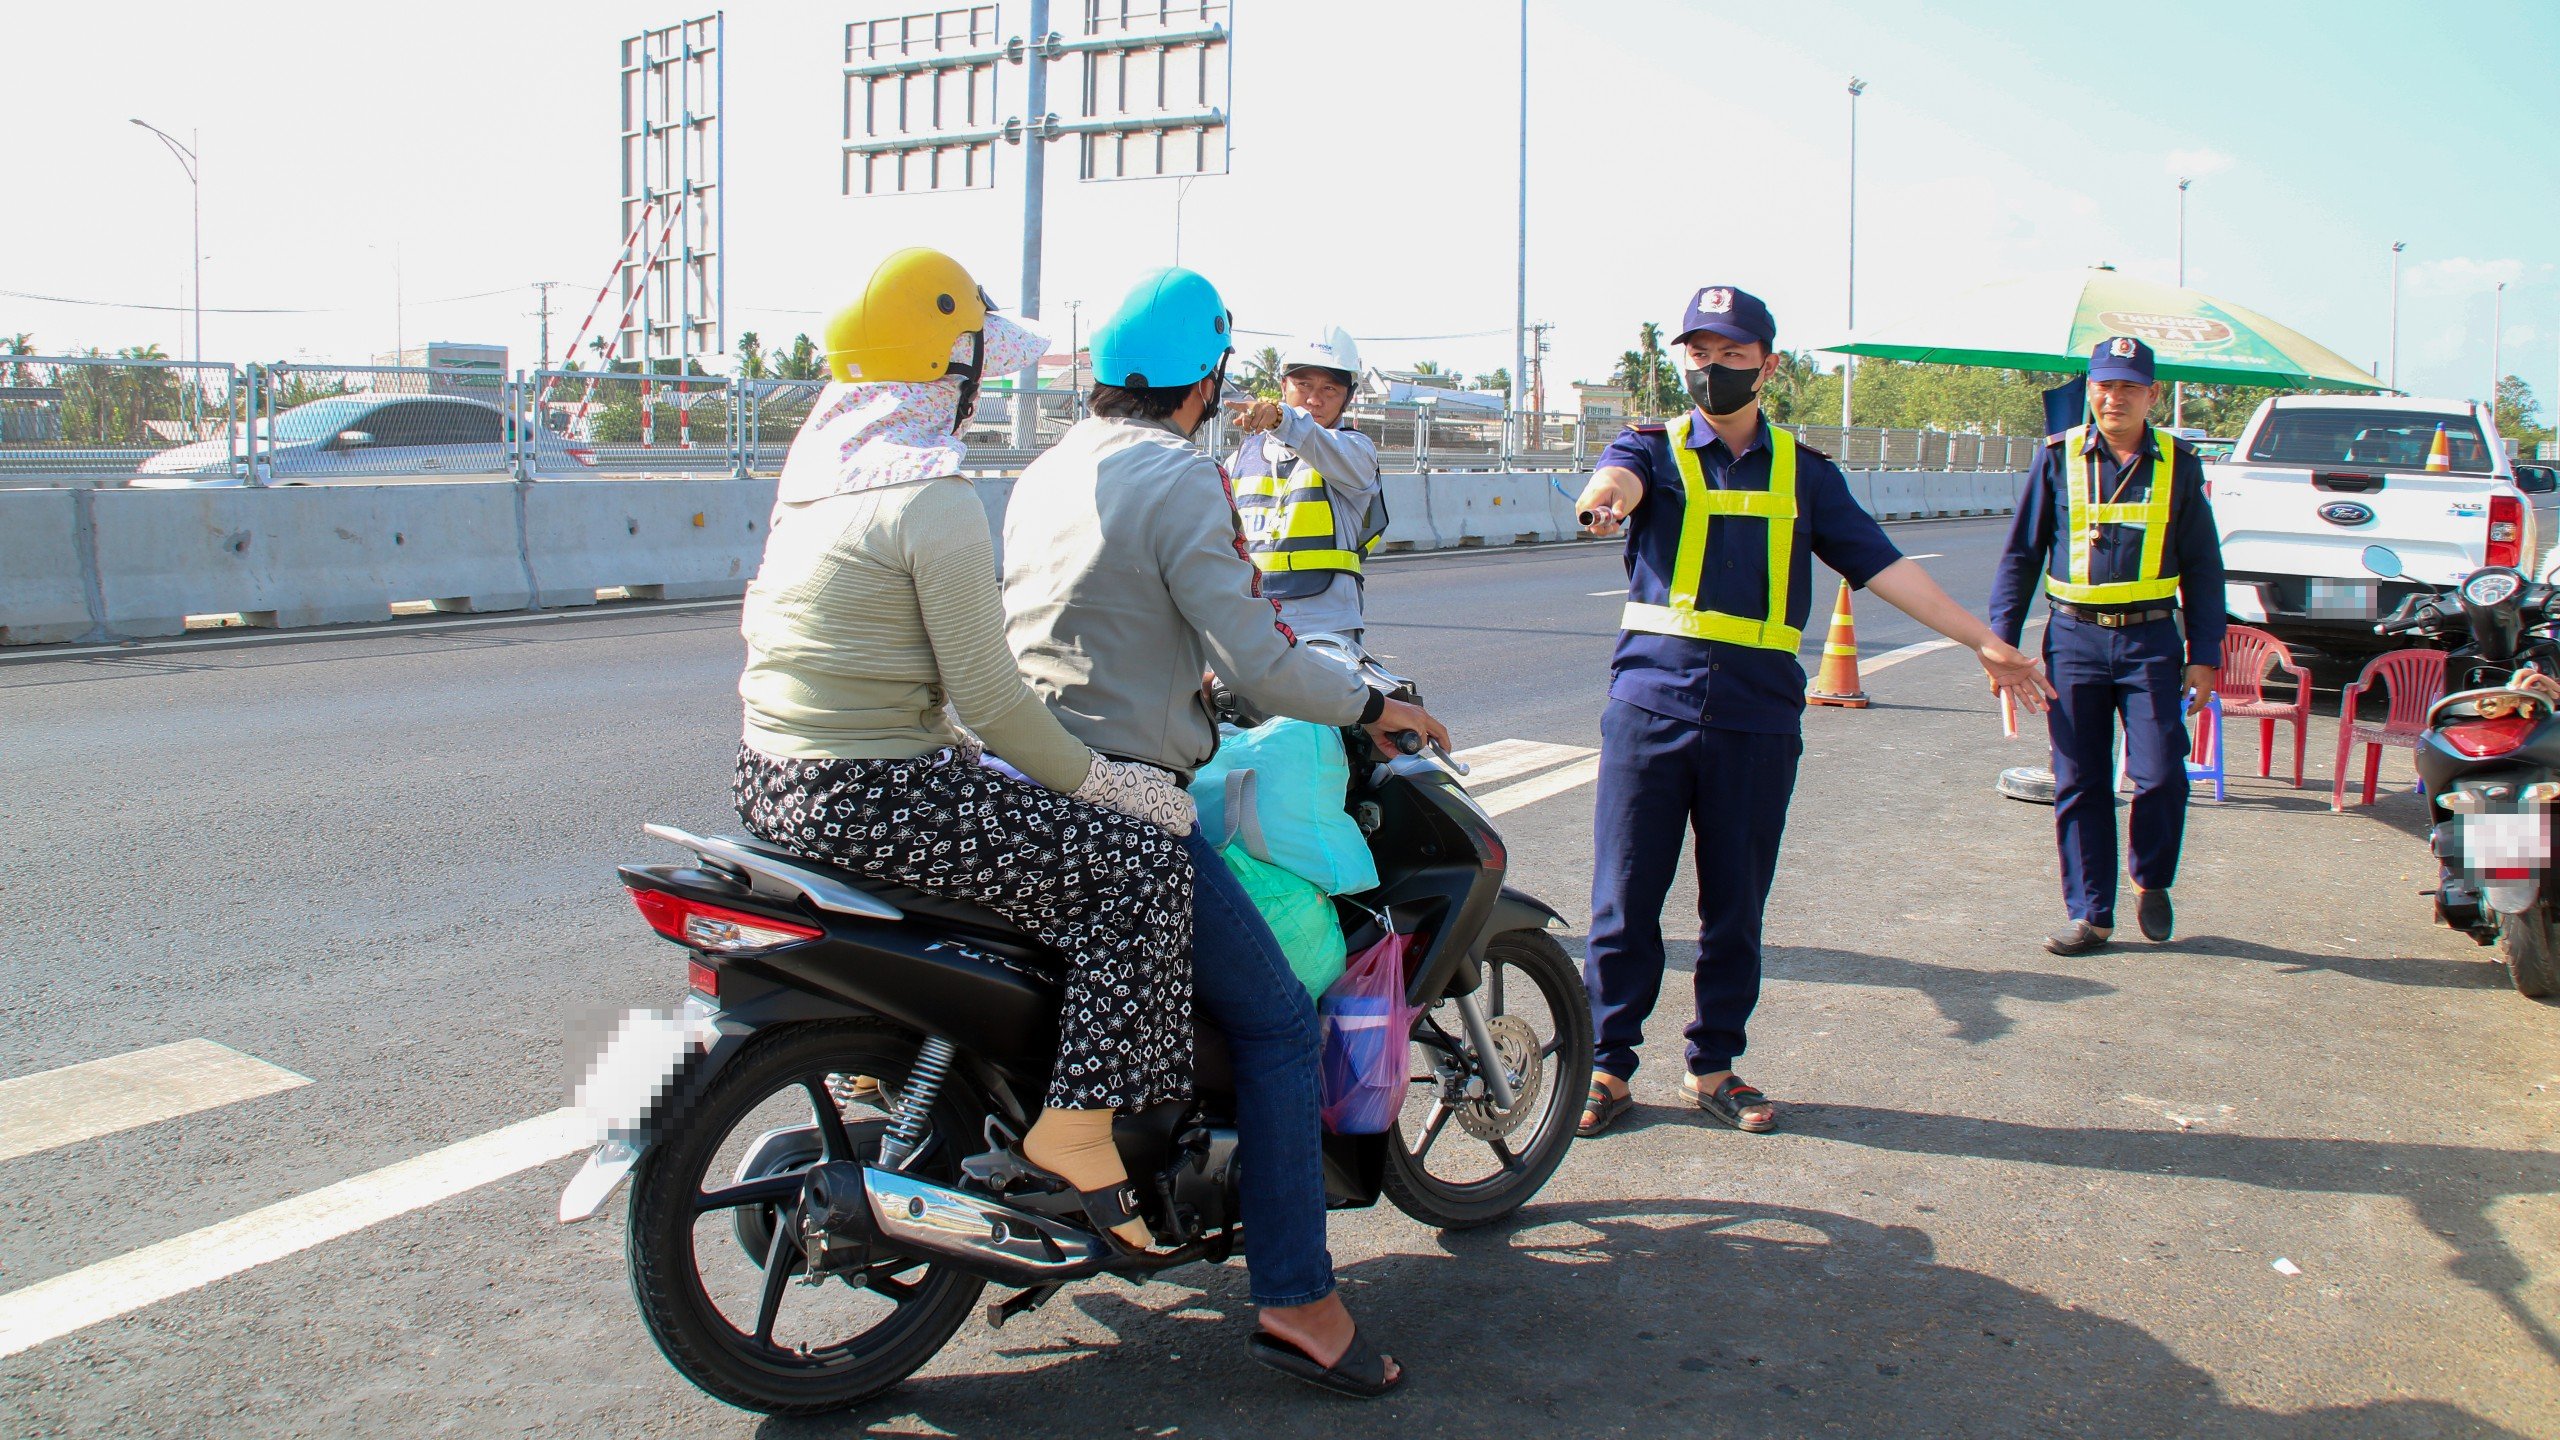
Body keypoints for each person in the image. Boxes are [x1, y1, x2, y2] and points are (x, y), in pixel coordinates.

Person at [1003, 268, 1447, 1398]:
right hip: (1126, 795)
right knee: (1278, 1024)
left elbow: (1101, 618)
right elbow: (1259, 660)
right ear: (1206, 380)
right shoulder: (1185, 474)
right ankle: (1299, 1297)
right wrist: (1371, 708)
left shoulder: (1046, 469)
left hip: (1016, 778)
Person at [727, 248, 1200, 1253]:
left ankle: (907, 1067)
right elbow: (989, 701)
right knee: (1145, 868)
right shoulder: (930, 500)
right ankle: (1078, 1128)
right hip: (882, 795)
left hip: (773, 784)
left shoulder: (816, 483)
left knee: (1046, 848)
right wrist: (1119, 788)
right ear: (953, 368)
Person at [1570, 285, 2055, 1139]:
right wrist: (1602, 499)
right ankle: (1607, 1066)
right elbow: (1616, 481)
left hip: (1756, 715)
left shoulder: (1806, 472)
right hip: (1650, 703)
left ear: (1767, 363)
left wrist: (1983, 640)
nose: (1710, 368)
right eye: (1698, 352)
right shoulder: (1647, 449)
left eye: (1729, 353)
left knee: (1735, 904)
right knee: (1624, 900)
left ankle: (1713, 1065)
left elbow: (1883, 565)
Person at [1987, 336, 2227, 956]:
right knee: (2079, 781)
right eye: (2103, 385)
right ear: (2089, 389)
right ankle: (2091, 914)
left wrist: (2205, 652)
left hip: (2150, 640)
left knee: (2160, 775)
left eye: (2127, 387)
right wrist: (2000, 644)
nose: (2113, 397)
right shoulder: (2057, 457)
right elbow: (2021, 554)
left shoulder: (2180, 461)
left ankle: (2150, 876)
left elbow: (2204, 564)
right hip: (2073, 640)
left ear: (2152, 394)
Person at [1227, 328, 1386, 640]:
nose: (1314, 399)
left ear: (1347, 397)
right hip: (1250, 619)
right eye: (1303, 385)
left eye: (1330, 389)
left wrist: (1279, 419)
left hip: (1323, 623)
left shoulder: (1355, 452)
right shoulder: (1239, 460)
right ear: (1283, 385)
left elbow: (1312, 438)